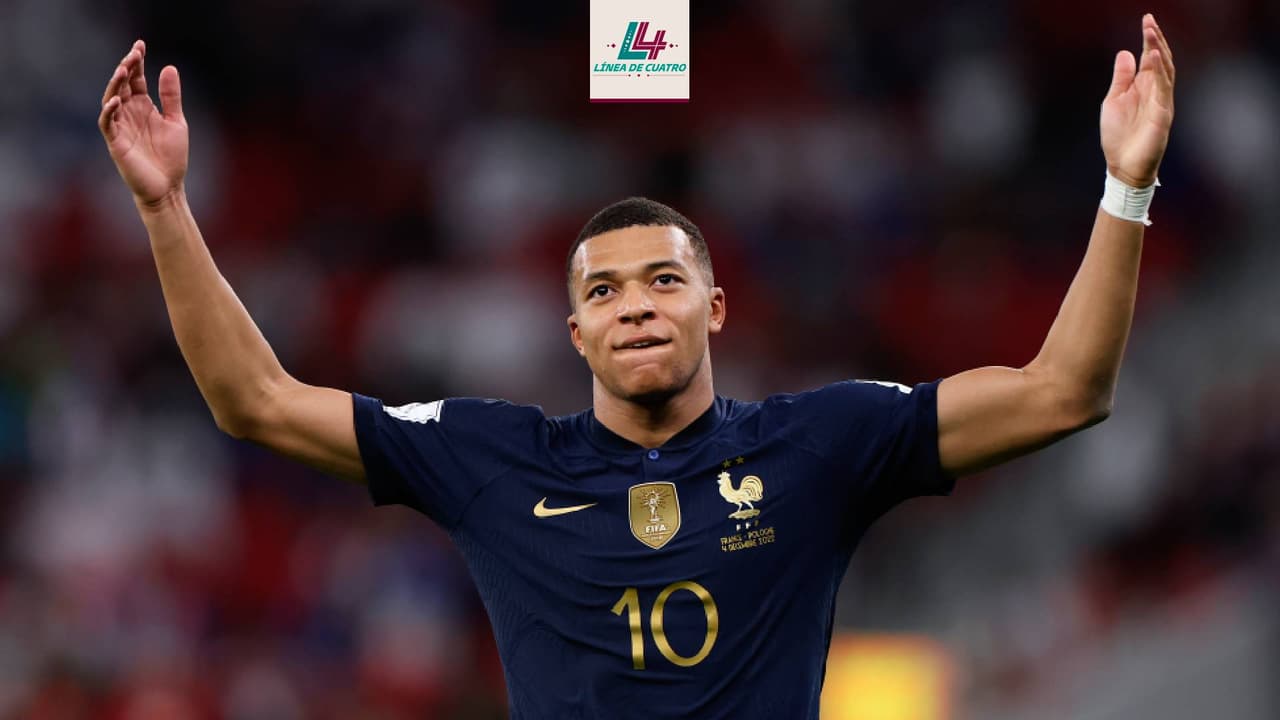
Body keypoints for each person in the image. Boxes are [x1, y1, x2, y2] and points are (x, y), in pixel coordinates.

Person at [98, 13, 1175, 719]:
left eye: (663, 279)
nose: (636, 306)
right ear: (575, 333)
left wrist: (1124, 185)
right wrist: (165, 205)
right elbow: (255, 402)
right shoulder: (490, 459)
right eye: (604, 292)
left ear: (714, 306)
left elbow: (1064, 391)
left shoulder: (819, 444)